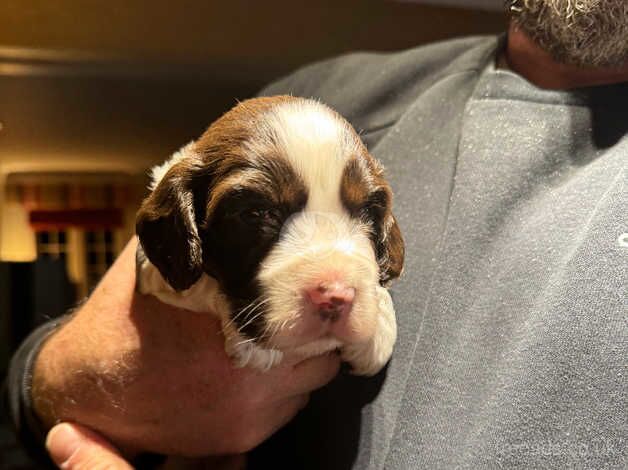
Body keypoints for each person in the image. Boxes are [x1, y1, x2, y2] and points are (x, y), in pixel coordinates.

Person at [5, 1, 627, 468]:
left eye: (362, 219)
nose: (334, 280)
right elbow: (36, 388)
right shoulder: (309, 102)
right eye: (259, 216)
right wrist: (57, 379)